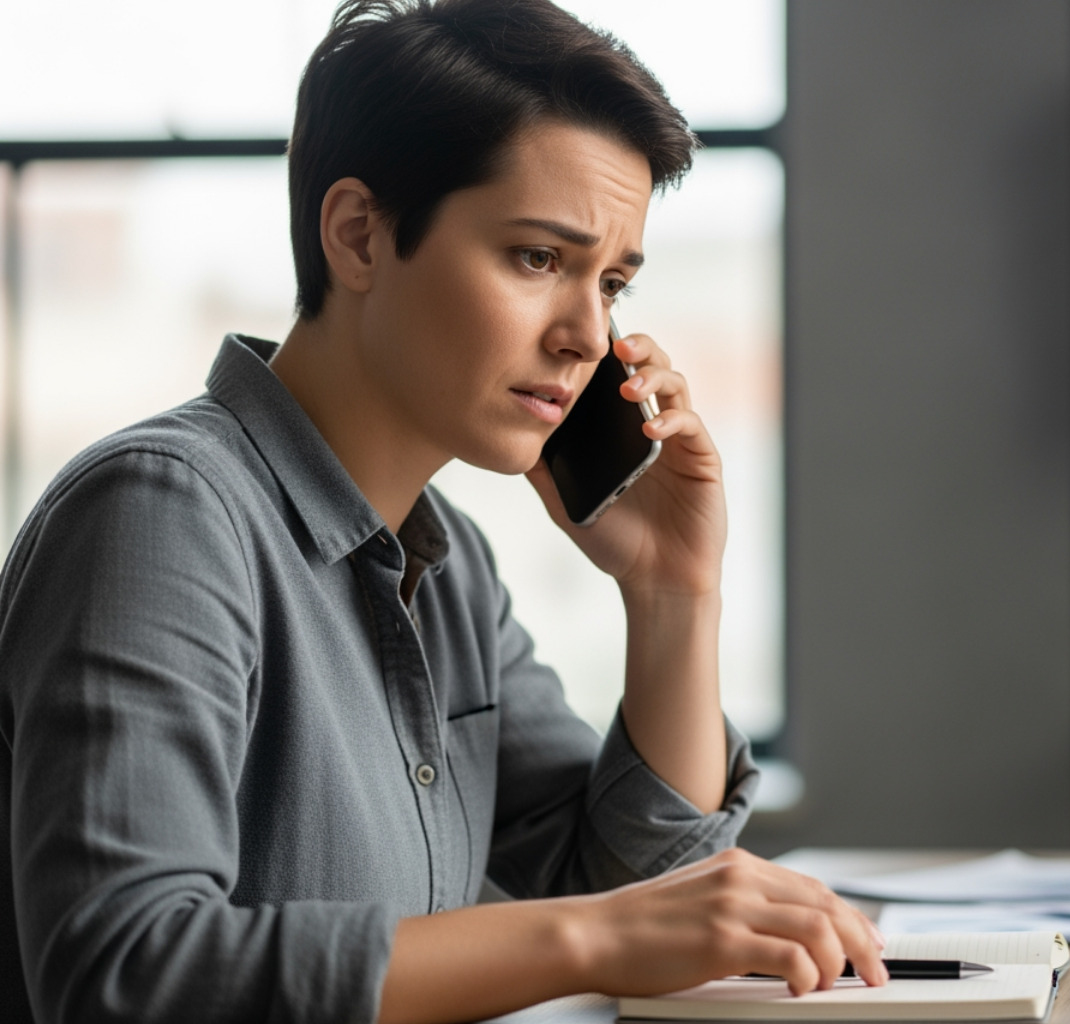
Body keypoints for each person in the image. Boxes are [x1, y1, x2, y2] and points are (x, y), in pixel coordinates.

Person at [0, 2, 887, 1022]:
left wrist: (672, 591)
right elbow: (127, 969)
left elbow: (636, 888)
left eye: (613, 282)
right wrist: (598, 935)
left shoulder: (448, 561)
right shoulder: (161, 514)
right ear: (359, 236)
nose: (589, 337)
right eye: (537, 259)